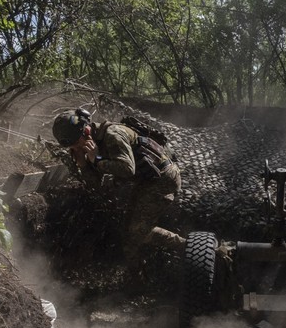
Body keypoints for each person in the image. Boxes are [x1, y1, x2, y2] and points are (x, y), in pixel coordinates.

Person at [52, 108, 186, 272]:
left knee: (137, 231)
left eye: (76, 141)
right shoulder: (91, 143)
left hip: (163, 179)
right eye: (71, 145)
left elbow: (127, 169)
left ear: (86, 130)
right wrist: (83, 164)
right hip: (146, 180)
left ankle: (188, 246)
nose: (76, 146)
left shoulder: (113, 134)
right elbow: (95, 185)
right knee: (128, 230)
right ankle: (136, 274)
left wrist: (97, 160)